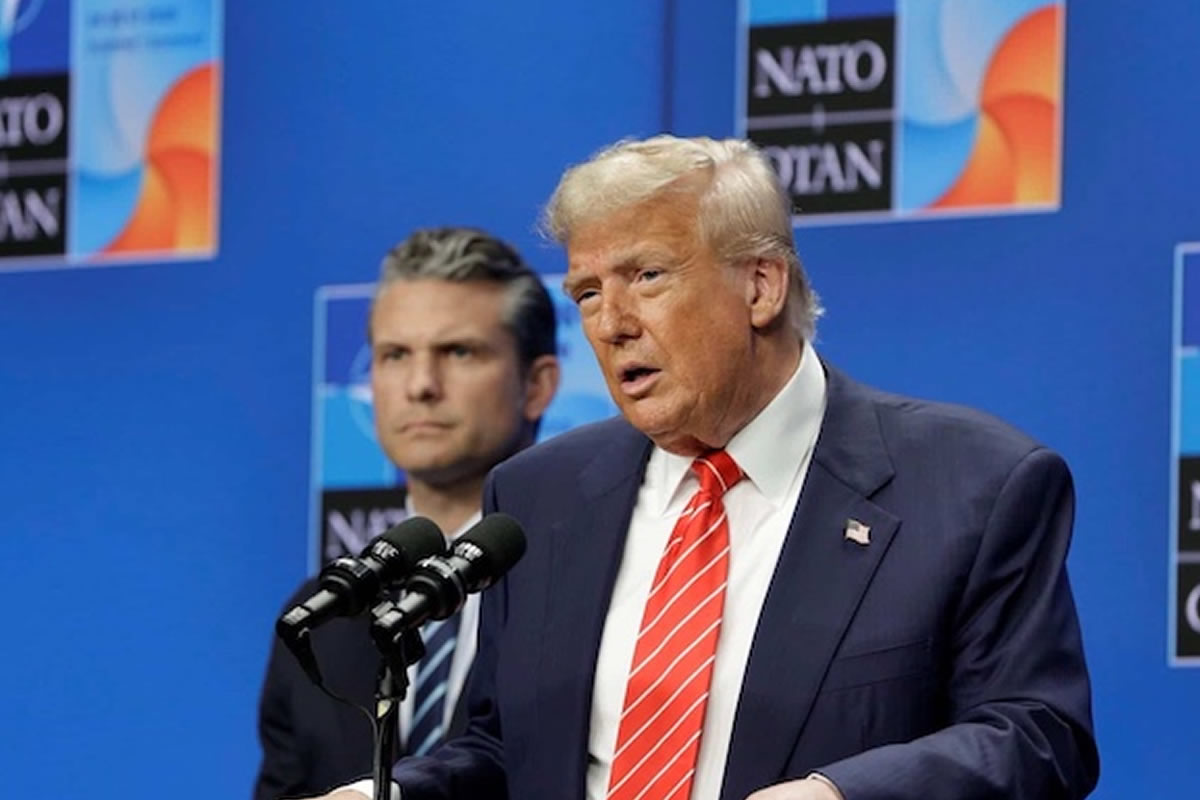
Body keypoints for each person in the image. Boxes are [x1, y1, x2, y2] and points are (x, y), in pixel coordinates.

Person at [328, 135, 1100, 800]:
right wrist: (383, 794)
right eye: (588, 293)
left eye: (647, 277)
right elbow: (505, 751)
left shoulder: (970, 486)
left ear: (760, 285)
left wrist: (840, 794)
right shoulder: (540, 494)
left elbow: (1037, 735)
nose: (611, 324)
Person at [253, 227, 560, 800]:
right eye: (395, 356)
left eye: (459, 352)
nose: (421, 386)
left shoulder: (586, 590)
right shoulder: (321, 618)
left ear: (538, 385)